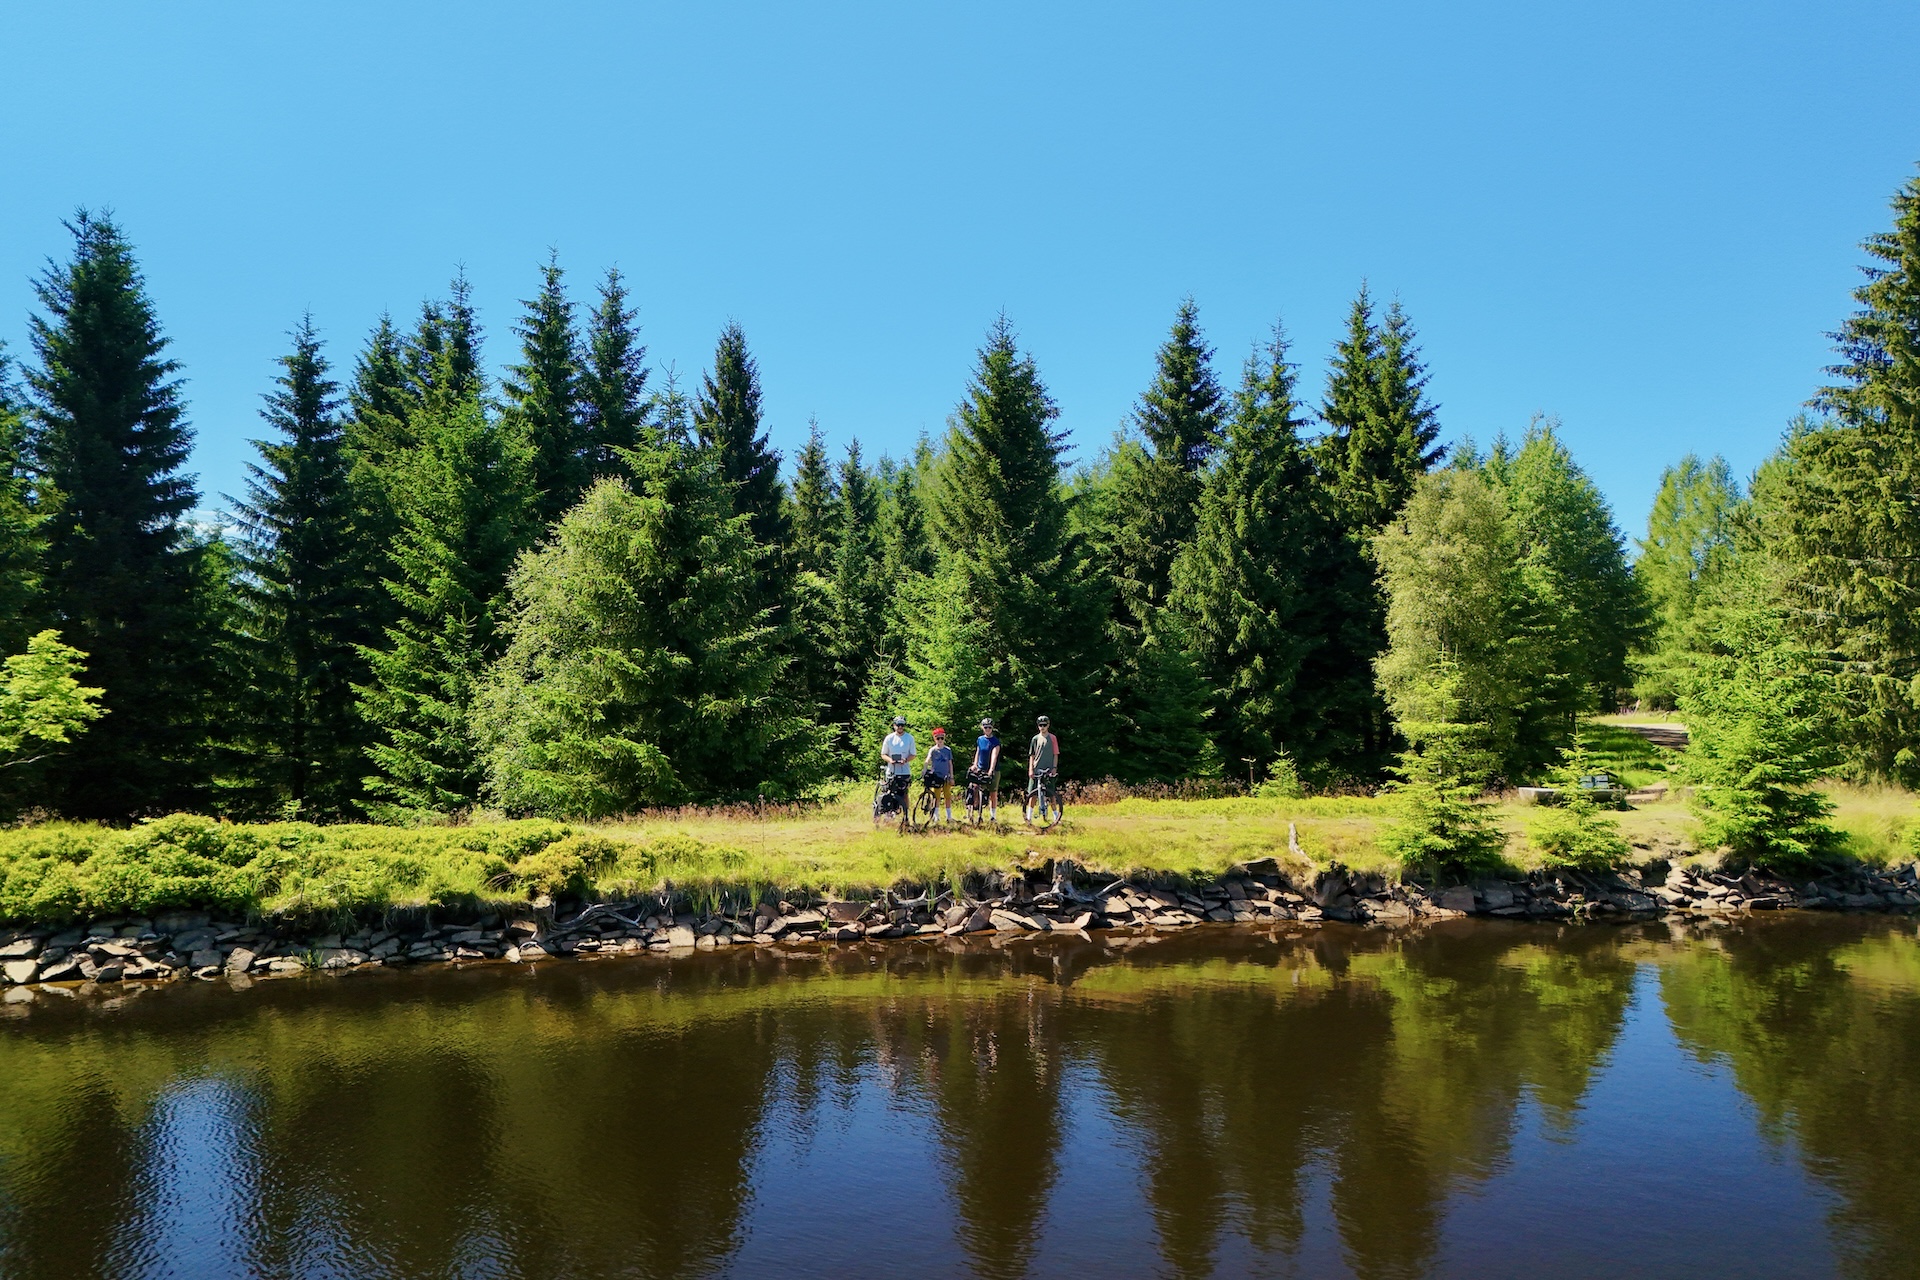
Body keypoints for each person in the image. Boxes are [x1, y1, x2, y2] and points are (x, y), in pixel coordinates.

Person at [880, 715, 915, 814]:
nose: (900, 727)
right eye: (898, 725)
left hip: (904, 771)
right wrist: (890, 760)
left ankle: (906, 816)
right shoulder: (889, 738)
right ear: (894, 725)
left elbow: (913, 754)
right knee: (889, 792)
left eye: (902, 725)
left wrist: (906, 760)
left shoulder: (909, 738)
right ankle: (889, 812)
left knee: (904, 794)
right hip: (891, 771)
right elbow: (883, 754)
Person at [1028, 715, 1060, 820]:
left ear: (1048, 725)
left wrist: (1054, 767)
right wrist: (1031, 769)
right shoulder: (1035, 739)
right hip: (1037, 768)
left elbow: (1055, 754)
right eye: (1040, 725)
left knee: (1051, 794)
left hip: (1048, 769)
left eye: (1044, 725)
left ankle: (1056, 816)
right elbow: (1031, 755)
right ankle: (1029, 816)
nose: (1042, 727)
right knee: (1032, 793)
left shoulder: (1052, 738)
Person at [970, 717, 1002, 821]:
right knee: (976, 789)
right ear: (982, 728)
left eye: (989, 727)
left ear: (992, 728)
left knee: (993, 793)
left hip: (993, 770)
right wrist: (975, 764)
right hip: (981, 768)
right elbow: (978, 752)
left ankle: (993, 816)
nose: (987, 729)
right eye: (985, 727)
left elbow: (994, 756)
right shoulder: (980, 739)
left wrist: (991, 769)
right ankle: (977, 812)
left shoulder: (995, 741)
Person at [924, 727, 955, 824]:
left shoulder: (947, 750)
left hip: (946, 777)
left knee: (947, 796)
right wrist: (925, 769)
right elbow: (928, 760)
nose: (940, 740)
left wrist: (952, 776)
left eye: (942, 738)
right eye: (938, 738)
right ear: (934, 739)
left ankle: (949, 816)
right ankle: (936, 816)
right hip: (936, 776)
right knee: (936, 797)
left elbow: (950, 764)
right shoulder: (933, 750)